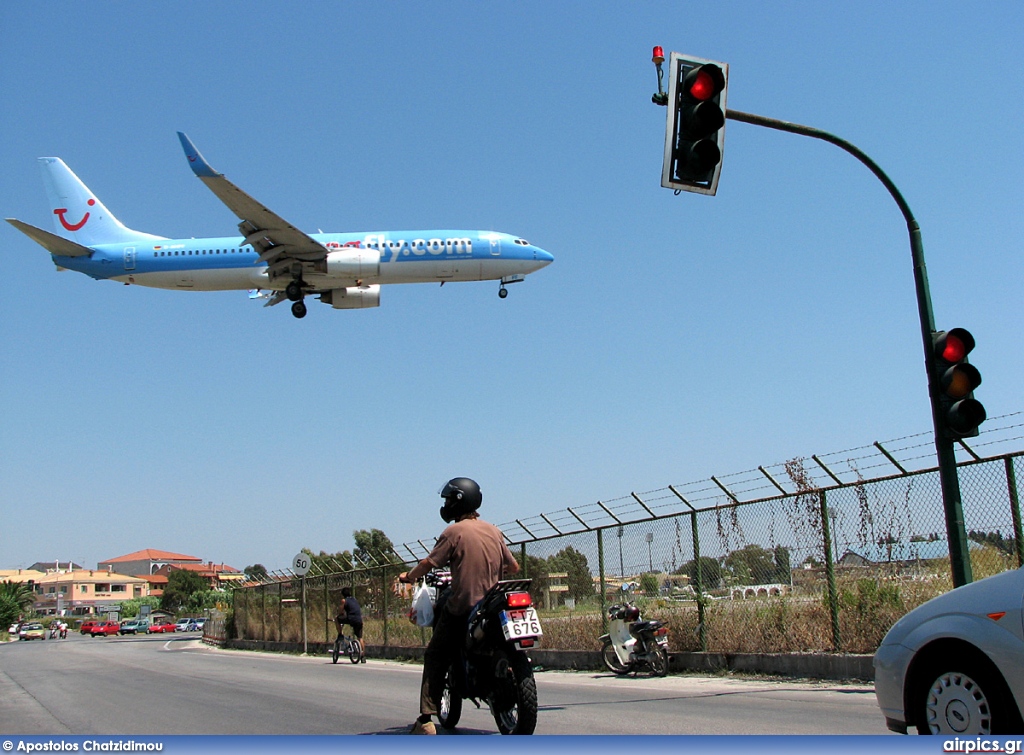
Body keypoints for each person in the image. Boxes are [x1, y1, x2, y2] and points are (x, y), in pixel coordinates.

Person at [399, 477, 519, 735]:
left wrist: (408, 577)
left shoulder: (453, 533)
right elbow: (514, 566)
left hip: (465, 606)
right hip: (494, 604)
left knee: (435, 654)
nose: (446, 504)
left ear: (460, 501)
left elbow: (429, 563)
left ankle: (426, 719)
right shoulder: (494, 531)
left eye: (449, 499)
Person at [334, 587, 364, 663]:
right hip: (359, 620)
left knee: (337, 619)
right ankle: (363, 656)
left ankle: (340, 634)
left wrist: (340, 614)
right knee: (360, 637)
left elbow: (340, 611)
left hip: (351, 619)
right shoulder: (354, 600)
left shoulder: (344, 600)